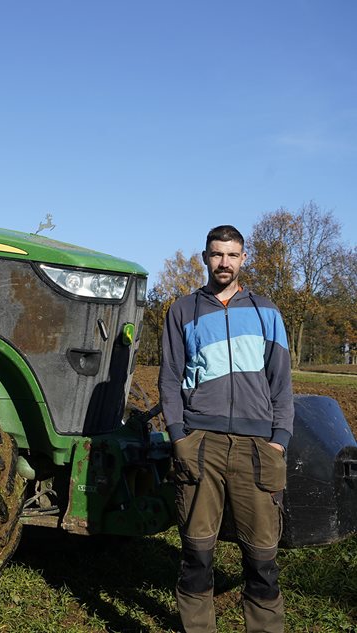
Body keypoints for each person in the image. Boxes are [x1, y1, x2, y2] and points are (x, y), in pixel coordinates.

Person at [159, 225, 293, 633]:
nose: (224, 263)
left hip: (258, 447)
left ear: (243, 259)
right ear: (205, 257)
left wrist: (278, 441)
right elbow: (169, 379)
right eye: (217, 255)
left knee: (263, 558)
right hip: (201, 443)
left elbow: (282, 382)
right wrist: (179, 436)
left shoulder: (266, 311)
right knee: (197, 553)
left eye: (232, 255)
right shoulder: (183, 310)